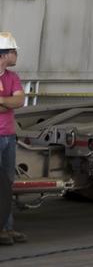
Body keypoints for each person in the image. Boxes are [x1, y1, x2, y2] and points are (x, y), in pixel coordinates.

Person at [0, 33, 25, 245]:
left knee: (7, 183)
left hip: (8, 135)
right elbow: (13, 101)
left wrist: (3, 101)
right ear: (3, 55)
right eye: (14, 51)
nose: (16, 55)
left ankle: (6, 227)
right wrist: (9, 101)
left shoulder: (12, 77)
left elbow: (19, 101)